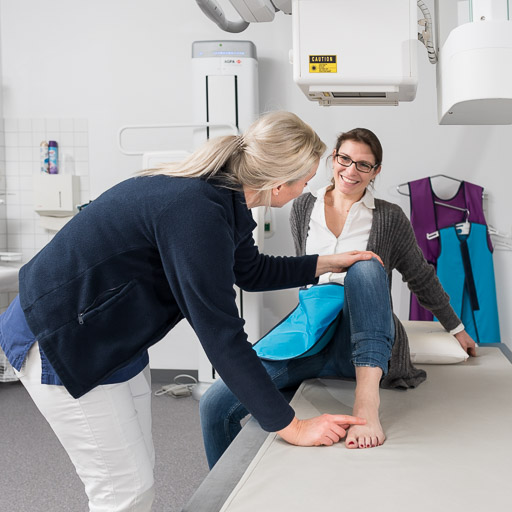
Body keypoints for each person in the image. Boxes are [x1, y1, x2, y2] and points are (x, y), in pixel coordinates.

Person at [0, 111, 379, 512]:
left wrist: (326, 263)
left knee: (138, 475)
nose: (308, 188)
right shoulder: (197, 213)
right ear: (279, 182)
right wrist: (292, 426)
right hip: (61, 339)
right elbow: (221, 336)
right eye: (305, 179)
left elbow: (250, 270)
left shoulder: (224, 200)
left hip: (111, 339)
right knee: (124, 491)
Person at [200, 127, 477, 468]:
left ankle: (366, 402)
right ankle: (225, 492)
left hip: (365, 332)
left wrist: (456, 327)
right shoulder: (303, 205)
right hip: (315, 332)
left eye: (364, 164)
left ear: (375, 171)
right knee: (214, 405)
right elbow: (301, 273)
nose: (351, 170)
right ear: (333, 159)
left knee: (365, 266)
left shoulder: (389, 216)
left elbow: (420, 276)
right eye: (344, 159)